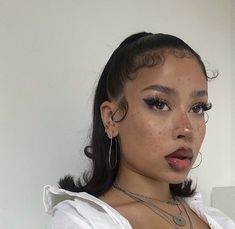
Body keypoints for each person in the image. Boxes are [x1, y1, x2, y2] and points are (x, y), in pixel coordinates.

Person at [43, 32, 235, 229]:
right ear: (111, 118)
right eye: (159, 104)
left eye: (197, 108)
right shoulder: (82, 222)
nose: (186, 129)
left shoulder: (219, 220)